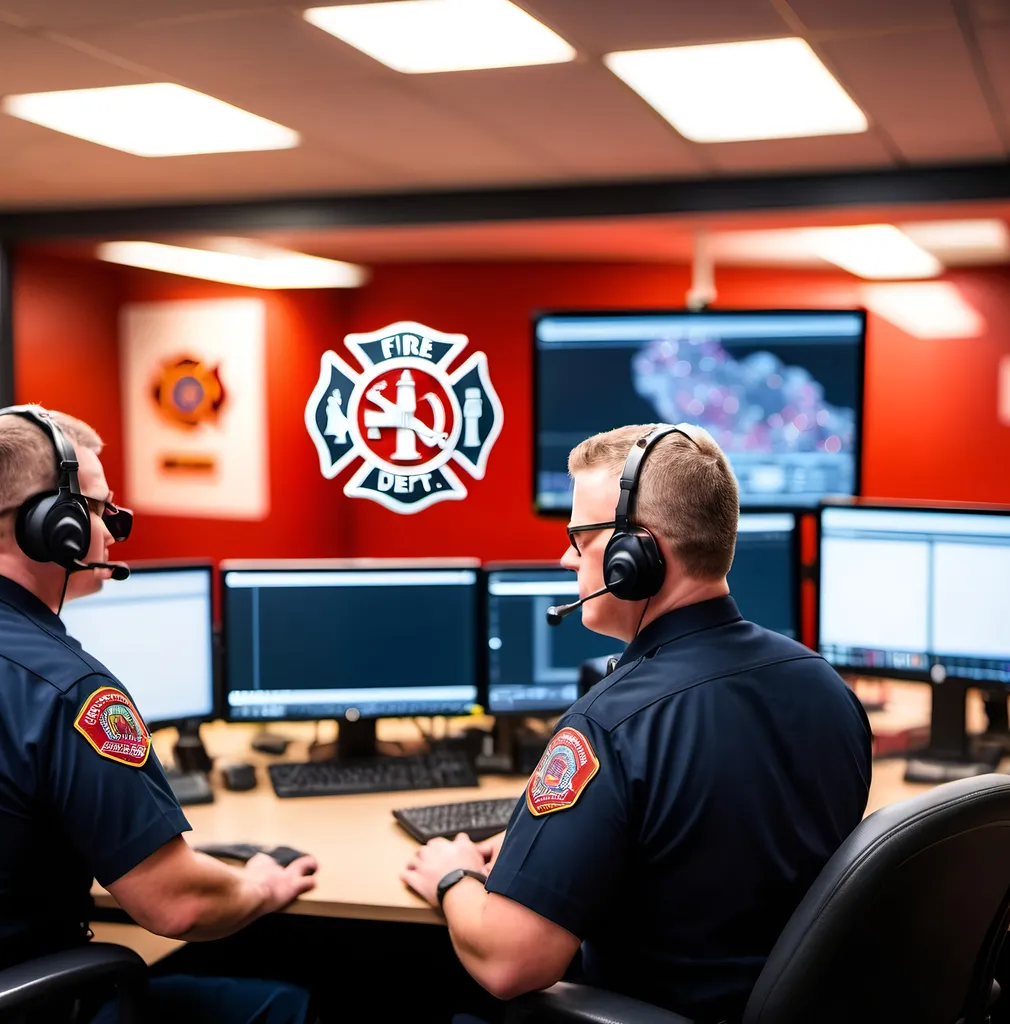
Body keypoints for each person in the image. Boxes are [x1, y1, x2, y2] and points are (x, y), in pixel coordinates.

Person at [402, 423, 873, 1022]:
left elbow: (510, 962)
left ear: (637, 556)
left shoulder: (608, 726)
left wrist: (454, 878)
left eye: (580, 536)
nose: (565, 557)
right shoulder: (826, 687)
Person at [0, 405, 318, 1024]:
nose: (112, 532)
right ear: (53, 526)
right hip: (35, 1008)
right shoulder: (69, 691)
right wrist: (260, 883)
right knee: (288, 1004)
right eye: (97, 510)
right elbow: (178, 906)